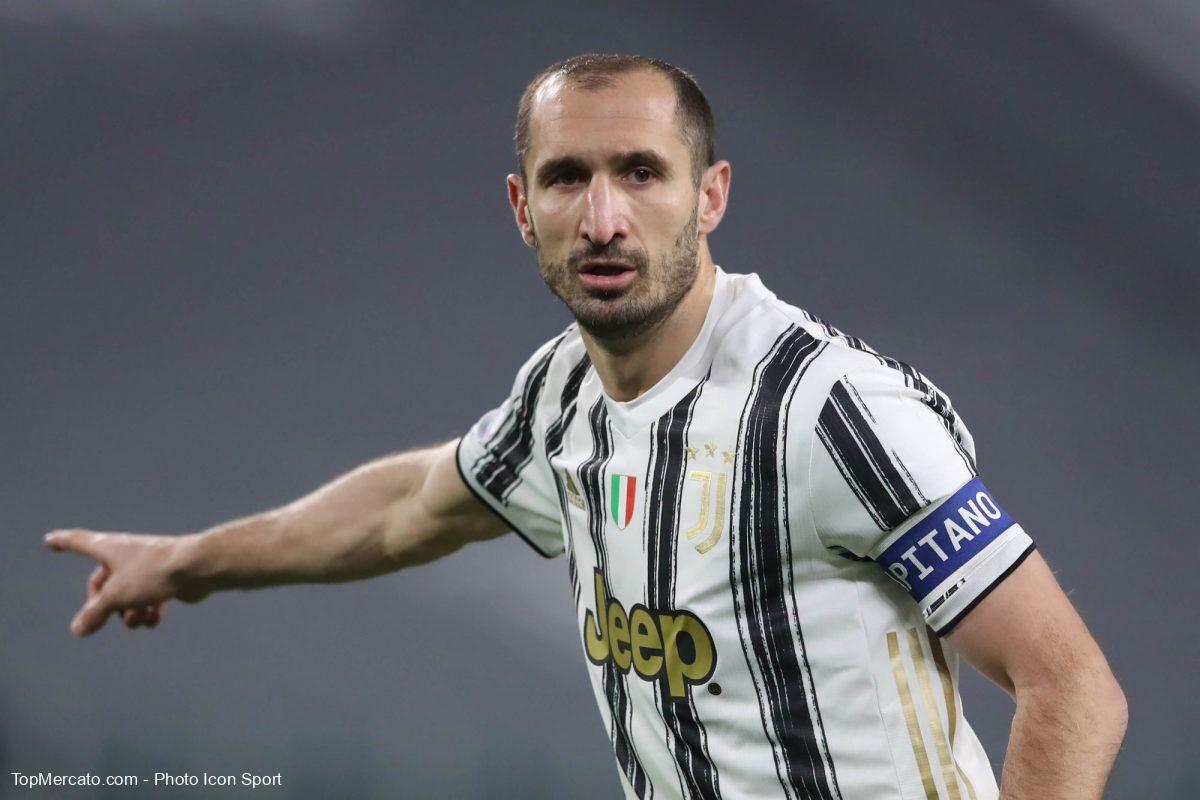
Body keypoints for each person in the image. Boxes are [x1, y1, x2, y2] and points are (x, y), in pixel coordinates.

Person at [46, 54, 1127, 799]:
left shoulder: (827, 411)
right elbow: (407, 509)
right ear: (523, 208)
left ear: (710, 196)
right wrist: (187, 562)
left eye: (641, 173)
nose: (603, 218)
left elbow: (1072, 685)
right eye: (568, 177)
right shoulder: (561, 393)